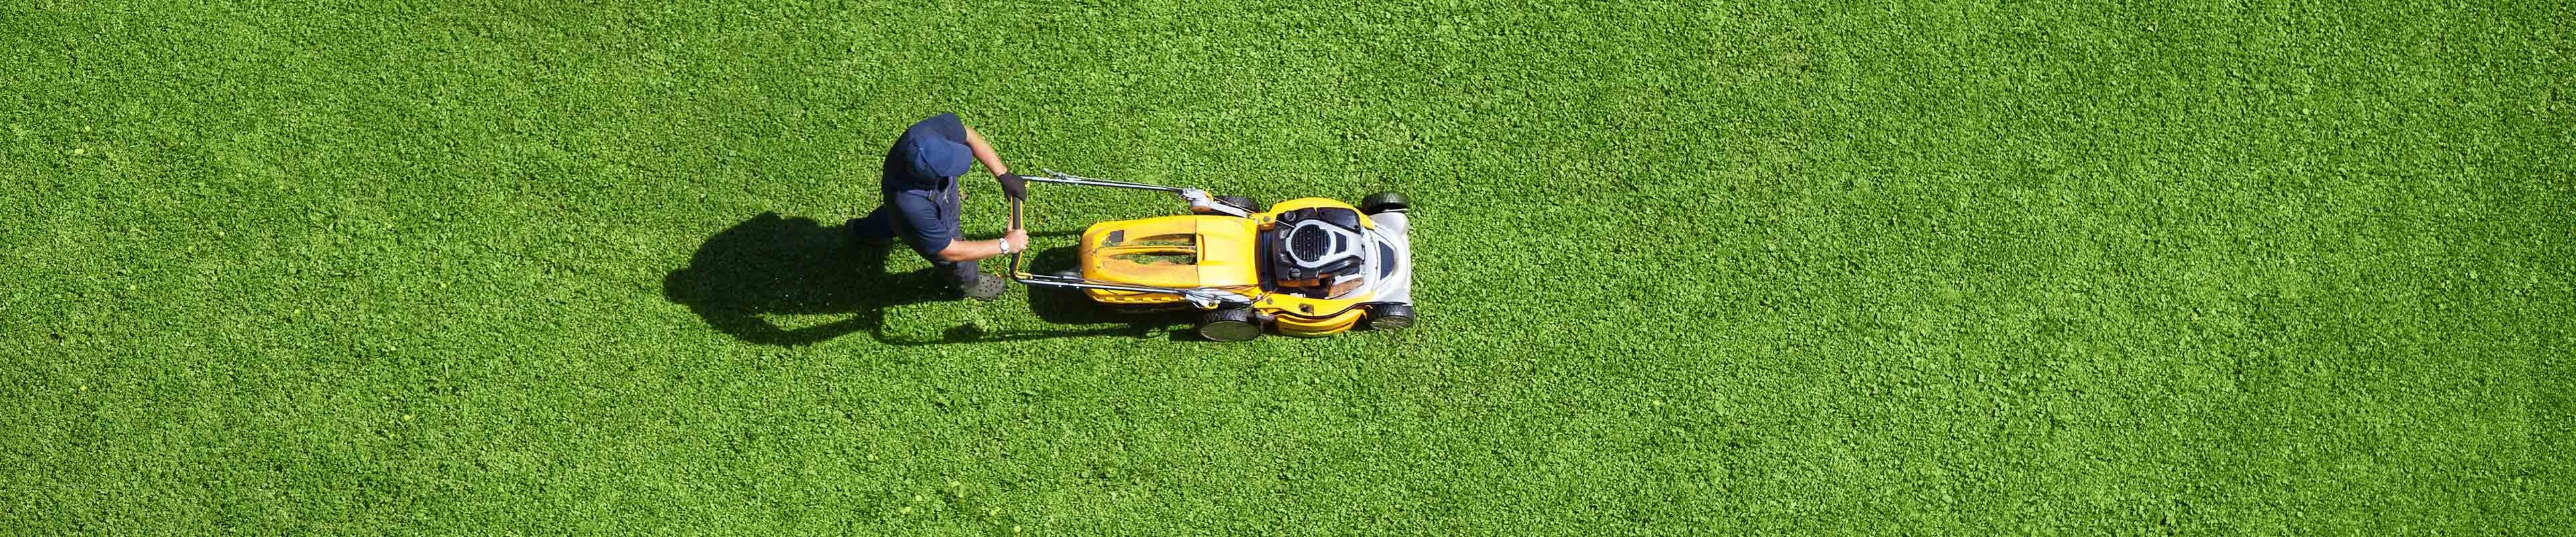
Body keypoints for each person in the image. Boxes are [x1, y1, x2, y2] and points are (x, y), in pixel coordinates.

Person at [850, 112, 1030, 300]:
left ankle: (862, 231)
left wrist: (1004, 175)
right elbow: (950, 251)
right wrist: (1006, 244)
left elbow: (968, 135)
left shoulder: (924, 135)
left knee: (893, 218)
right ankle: (969, 284)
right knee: (957, 263)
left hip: (902, 209)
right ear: (931, 178)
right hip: (920, 213)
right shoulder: (911, 206)